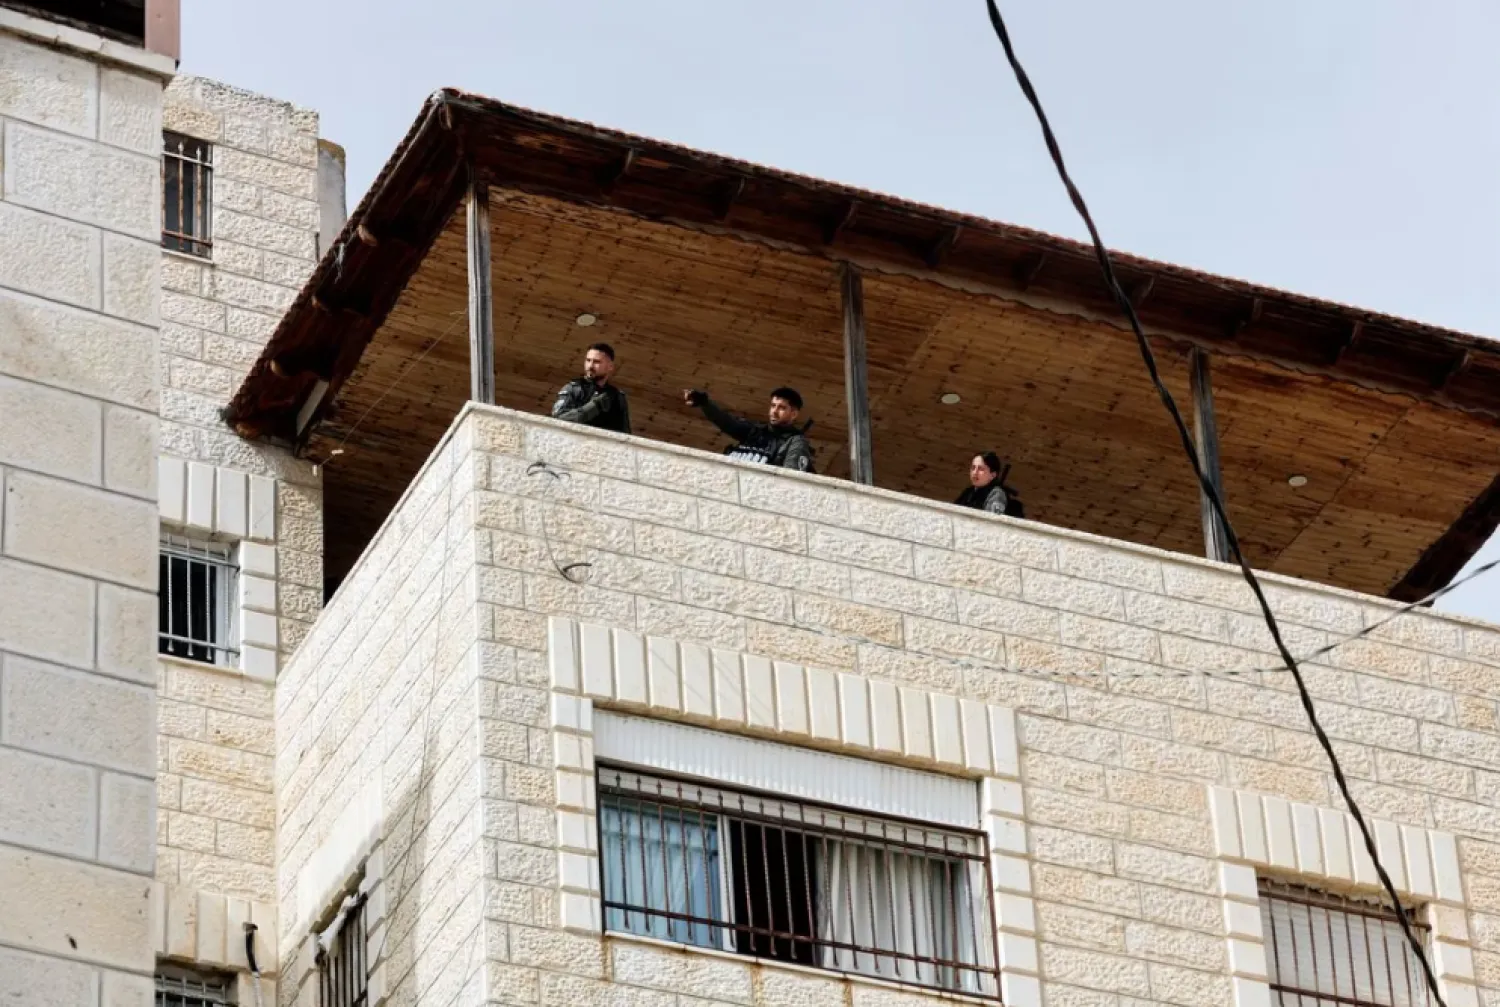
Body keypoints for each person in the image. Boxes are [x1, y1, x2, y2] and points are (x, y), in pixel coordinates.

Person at [682, 386, 814, 472]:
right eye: (773, 406)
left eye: (781, 408)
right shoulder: (756, 431)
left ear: (794, 414)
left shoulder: (795, 442)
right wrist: (705, 403)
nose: (774, 411)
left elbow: (791, 480)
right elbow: (727, 422)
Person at [552, 343, 631, 434]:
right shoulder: (574, 388)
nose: (590, 366)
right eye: (588, 360)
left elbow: (625, 435)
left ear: (610, 367)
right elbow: (558, 419)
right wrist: (594, 406)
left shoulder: (616, 396)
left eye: (596, 362)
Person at [956, 452, 1025, 518]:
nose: (975, 472)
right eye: (973, 468)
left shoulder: (996, 494)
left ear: (992, 475)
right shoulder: (968, 492)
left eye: (981, 469)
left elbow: (991, 521)